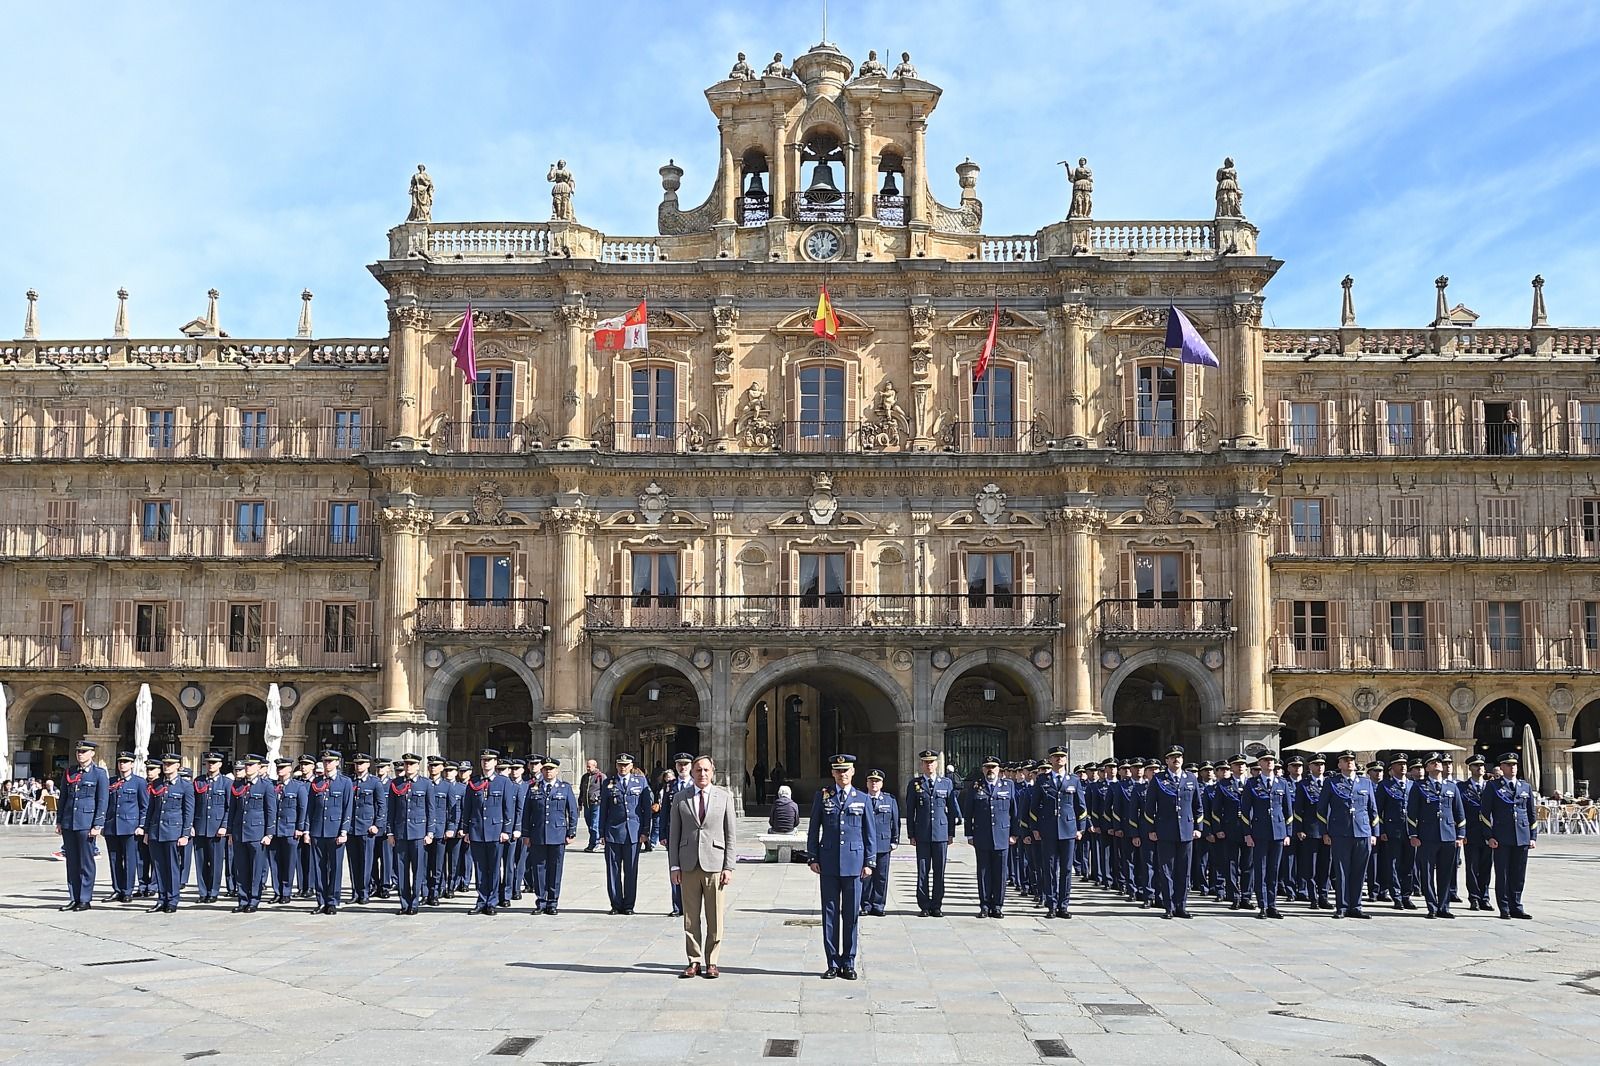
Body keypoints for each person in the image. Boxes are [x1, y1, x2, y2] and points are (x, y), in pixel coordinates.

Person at [807, 754, 876, 980]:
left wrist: (869, 862)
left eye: (846, 770)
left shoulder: (863, 798)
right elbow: (813, 829)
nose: (842, 774)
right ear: (833, 773)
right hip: (828, 864)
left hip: (855, 865)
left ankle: (849, 961)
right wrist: (812, 857)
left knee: (851, 915)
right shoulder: (823, 797)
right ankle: (832, 962)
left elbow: (870, 834)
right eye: (838, 771)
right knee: (829, 914)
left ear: (853, 772)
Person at [670, 755, 736, 979]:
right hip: (688, 864)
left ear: (712, 772)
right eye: (698, 770)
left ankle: (713, 961)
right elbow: (674, 833)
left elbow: (730, 834)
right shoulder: (680, 797)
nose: (702, 774)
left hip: (715, 864)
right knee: (690, 917)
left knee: (715, 916)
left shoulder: (724, 797)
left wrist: (729, 866)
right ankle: (694, 960)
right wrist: (673, 866)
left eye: (706, 770)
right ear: (692, 772)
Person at [1317, 750, 1379, 919]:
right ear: (1339, 764)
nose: (1349, 762)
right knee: (1342, 870)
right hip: (1340, 832)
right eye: (1345, 760)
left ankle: (1356, 905)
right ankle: (1342, 906)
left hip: (1363, 831)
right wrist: (1325, 832)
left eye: (1351, 759)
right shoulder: (1332, 782)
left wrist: (1374, 833)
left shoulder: (1365, 783)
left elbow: (1373, 809)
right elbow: (1321, 809)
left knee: (1360, 871)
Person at [1143, 746, 1203, 919]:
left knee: (1184, 871)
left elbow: (1198, 806)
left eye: (1179, 757)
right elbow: (1149, 808)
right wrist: (1152, 829)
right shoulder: (1158, 779)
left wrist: (1198, 828)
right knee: (1166, 870)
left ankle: (1181, 906)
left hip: (1186, 831)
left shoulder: (1190, 778)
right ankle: (1168, 906)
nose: (1176, 759)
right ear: (1167, 760)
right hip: (1165, 830)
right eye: (1172, 757)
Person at [1029, 745, 1086, 919]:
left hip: (1068, 830)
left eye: (1062, 756)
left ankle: (1064, 905)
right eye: (1055, 757)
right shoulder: (1042, 779)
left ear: (1066, 759)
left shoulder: (1073, 780)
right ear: (1051, 759)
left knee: (1066, 869)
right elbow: (1034, 807)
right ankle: (1051, 905)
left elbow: (1081, 806)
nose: (1059, 759)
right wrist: (1035, 828)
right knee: (1050, 868)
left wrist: (1080, 828)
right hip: (1048, 829)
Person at [1406, 752, 1465, 918]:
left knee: (1446, 873)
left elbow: (1459, 813)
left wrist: (1460, 835)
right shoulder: (1419, 786)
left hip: (1448, 835)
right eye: (1432, 762)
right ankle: (1431, 906)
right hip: (1427, 836)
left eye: (1439, 762)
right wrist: (1413, 835)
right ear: (1427, 767)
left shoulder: (1452, 787)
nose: (1437, 764)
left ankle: (1444, 906)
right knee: (1427, 873)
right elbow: (1412, 813)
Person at [903, 749, 960, 917]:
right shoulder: (915, 784)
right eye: (926, 762)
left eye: (932, 762)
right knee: (922, 871)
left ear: (936, 764)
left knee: (939, 871)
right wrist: (911, 834)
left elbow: (951, 810)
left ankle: (937, 905)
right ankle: (924, 905)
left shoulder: (946, 783)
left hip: (941, 834)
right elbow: (910, 810)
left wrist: (951, 833)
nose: (929, 765)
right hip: (922, 833)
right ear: (922, 765)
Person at [57, 739, 109, 911]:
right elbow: (63, 798)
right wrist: (59, 821)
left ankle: (85, 898)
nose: (80, 754)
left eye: (84, 751)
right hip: (69, 822)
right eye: (78, 751)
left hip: (86, 823)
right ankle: (74, 897)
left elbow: (102, 800)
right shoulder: (69, 772)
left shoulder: (99, 774)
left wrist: (98, 824)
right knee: (71, 862)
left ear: (92, 753)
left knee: (86, 862)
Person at [964, 755, 1019, 919]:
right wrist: (969, 834)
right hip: (982, 835)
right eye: (987, 767)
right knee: (983, 872)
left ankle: (998, 906)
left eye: (993, 767)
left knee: (1000, 872)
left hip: (1002, 835)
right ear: (983, 769)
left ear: (999, 770)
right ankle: (984, 905)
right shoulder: (975, 787)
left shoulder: (1008, 785)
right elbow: (969, 812)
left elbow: (1014, 812)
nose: (990, 770)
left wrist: (1014, 834)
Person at [138, 753, 193, 913]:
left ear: (177, 766)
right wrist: (147, 830)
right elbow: (150, 809)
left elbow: (188, 811)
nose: (166, 766)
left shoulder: (185, 785)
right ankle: (161, 899)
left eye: (170, 764)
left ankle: (173, 899)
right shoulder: (156, 784)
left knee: (172, 867)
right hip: (156, 831)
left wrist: (185, 834)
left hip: (173, 831)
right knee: (159, 867)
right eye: (165, 764)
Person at [1485, 752, 1538, 919]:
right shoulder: (1493, 786)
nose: (1512, 767)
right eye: (1508, 764)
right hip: (1502, 835)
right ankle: (1505, 907)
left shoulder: (1525, 787)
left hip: (1521, 835)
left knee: (1518, 873)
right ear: (1502, 767)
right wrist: (1489, 836)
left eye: (1514, 764)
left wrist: (1533, 836)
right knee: (1503, 873)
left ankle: (1517, 905)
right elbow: (1485, 813)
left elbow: (1531, 813)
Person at [462, 749, 515, 914]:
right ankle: (481, 900)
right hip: (477, 831)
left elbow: (508, 808)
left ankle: (492, 901)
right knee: (480, 868)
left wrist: (507, 830)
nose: (486, 763)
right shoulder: (474, 782)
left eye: (489, 760)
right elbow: (468, 808)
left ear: (495, 762)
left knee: (493, 868)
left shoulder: (504, 782)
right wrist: (466, 830)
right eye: (484, 760)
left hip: (496, 831)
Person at [599, 753, 653, 914]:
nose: (623, 768)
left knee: (631, 871)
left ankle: (629, 905)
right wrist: (601, 832)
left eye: (626, 765)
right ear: (616, 766)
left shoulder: (641, 782)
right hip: (613, 831)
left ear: (631, 766)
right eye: (620, 765)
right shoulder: (609, 783)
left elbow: (646, 810)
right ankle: (616, 904)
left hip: (633, 832)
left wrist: (645, 831)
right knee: (613, 870)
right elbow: (603, 810)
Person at [1241, 751, 1293, 919]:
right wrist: (1247, 833)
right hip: (1259, 831)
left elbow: (1288, 811)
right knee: (1261, 870)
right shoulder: (1252, 783)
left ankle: (1272, 905)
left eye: (1272, 760)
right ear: (1260, 763)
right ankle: (1262, 905)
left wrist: (1287, 833)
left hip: (1278, 832)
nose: (1270, 763)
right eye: (1266, 760)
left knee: (1274, 870)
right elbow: (1244, 811)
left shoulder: (1282, 783)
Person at [525, 757, 578, 915]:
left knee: (555, 869)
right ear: (542, 771)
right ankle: (541, 901)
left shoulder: (565, 788)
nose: (548, 772)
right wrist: (526, 834)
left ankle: (553, 902)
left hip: (558, 834)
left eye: (551, 769)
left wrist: (571, 831)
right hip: (538, 835)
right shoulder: (534, 788)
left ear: (557, 771)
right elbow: (527, 812)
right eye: (546, 769)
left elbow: (573, 811)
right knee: (539, 869)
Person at [226, 754, 275, 913]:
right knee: (241, 868)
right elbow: (232, 810)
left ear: (259, 767)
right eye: (246, 765)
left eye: (251, 765)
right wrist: (230, 832)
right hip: (240, 832)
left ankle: (254, 899)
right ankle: (242, 898)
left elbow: (270, 810)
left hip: (257, 833)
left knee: (255, 868)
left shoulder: (266, 786)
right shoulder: (237, 785)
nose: (247, 768)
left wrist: (269, 833)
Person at [385, 754, 433, 915]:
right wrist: (390, 831)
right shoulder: (395, 784)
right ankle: (404, 902)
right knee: (401, 869)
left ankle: (415, 901)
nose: (408, 767)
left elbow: (430, 810)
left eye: (412, 764)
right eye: (406, 764)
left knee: (418, 869)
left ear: (418, 766)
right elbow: (390, 810)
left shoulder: (425, 784)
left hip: (418, 832)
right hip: (400, 832)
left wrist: (430, 832)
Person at [101, 751, 147, 904]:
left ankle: (127, 890)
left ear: (132, 764)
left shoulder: (139, 782)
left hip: (130, 827)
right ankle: (117, 889)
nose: (122, 764)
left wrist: (141, 825)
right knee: (114, 859)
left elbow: (144, 806)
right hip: (112, 825)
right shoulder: (111, 781)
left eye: (126, 762)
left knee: (129, 859)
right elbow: (104, 803)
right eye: (120, 761)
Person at [1376, 754, 1418, 910]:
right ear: (1392, 768)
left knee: (1408, 864)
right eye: (1399, 764)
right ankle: (1397, 896)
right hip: (1393, 830)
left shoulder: (1413, 785)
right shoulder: (1385, 785)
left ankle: (1407, 895)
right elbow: (1378, 811)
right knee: (1393, 864)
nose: (1403, 767)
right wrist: (1382, 830)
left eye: (1404, 764)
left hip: (1410, 831)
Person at [190, 752, 231, 905]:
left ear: (220, 764)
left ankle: (213, 891)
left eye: (214, 762)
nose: (211, 765)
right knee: (200, 861)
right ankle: (203, 891)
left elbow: (229, 807)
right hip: (200, 827)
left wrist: (224, 826)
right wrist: (191, 825)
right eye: (208, 762)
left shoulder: (226, 783)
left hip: (216, 828)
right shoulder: (198, 781)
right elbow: (193, 805)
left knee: (215, 862)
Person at [859, 769, 900, 917]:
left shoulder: (889, 800)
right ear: (867, 783)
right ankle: (865, 905)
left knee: (881, 877)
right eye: (871, 781)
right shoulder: (861, 799)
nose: (874, 784)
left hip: (883, 844)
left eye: (877, 781)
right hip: (865, 844)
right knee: (866, 876)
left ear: (882, 784)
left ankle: (878, 905)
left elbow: (895, 822)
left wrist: (895, 839)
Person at [1294, 754, 1332, 909]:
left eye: (1322, 764)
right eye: (1316, 764)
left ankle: (1324, 895)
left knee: (1326, 865)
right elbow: (1297, 810)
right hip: (1311, 830)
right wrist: (1299, 829)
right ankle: (1313, 897)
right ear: (1309, 766)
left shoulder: (1331, 783)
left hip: (1329, 831)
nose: (1320, 767)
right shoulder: (1303, 785)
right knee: (1311, 866)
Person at [348, 753, 386, 905]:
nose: (359, 766)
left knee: (366, 861)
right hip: (352, 827)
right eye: (357, 763)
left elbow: (381, 805)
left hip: (367, 827)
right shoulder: (349, 781)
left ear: (368, 765)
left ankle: (364, 892)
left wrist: (377, 824)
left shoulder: (374, 782)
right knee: (353, 862)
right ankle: (355, 892)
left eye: (362, 763)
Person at [1459, 754, 1495, 910]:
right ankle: (1474, 897)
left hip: (1489, 833)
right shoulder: (1462, 787)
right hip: (1471, 832)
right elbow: (1459, 811)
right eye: (1476, 765)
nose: (1480, 768)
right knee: (1472, 867)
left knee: (1487, 867)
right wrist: (1462, 833)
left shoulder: (1492, 786)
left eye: (1481, 765)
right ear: (1470, 768)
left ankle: (1485, 897)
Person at [659, 754, 694, 914]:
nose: (683, 767)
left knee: (691, 870)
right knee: (674, 868)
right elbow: (664, 810)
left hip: (691, 834)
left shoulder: (696, 784)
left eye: (686, 764)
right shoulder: (670, 786)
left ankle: (690, 905)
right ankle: (677, 906)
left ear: (691, 766)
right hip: (673, 833)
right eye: (680, 764)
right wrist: (662, 834)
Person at [578, 758, 604, 852]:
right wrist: (580, 803)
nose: (588, 768)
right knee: (589, 825)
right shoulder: (585, 777)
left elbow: (605, 790)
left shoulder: (601, 776)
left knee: (594, 825)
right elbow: (582, 790)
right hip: (587, 804)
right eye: (587, 766)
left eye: (589, 766)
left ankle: (596, 843)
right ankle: (592, 842)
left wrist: (600, 799)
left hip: (596, 804)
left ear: (595, 766)